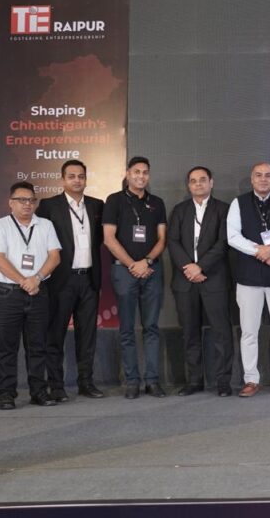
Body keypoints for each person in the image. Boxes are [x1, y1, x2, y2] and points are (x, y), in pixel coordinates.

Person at [0, 181, 61, 410]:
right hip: (9, 294)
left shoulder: (45, 225)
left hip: (39, 292)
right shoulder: (0, 225)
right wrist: (24, 281)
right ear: (11, 202)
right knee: (7, 348)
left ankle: (38, 392)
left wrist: (36, 279)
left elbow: (55, 257)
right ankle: (6, 395)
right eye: (21, 200)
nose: (27, 204)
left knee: (37, 346)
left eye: (31, 200)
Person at [226, 162, 270, 397]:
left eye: (268, 175)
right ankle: (251, 379)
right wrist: (260, 251)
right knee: (249, 332)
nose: (263, 179)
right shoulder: (239, 203)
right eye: (259, 175)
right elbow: (232, 236)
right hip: (248, 276)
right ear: (252, 179)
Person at [36, 160, 105, 401]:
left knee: (87, 336)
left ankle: (86, 383)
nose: (77, 180)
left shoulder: (97, 205)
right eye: (72, 176)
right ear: (63, 179)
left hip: (88, 280)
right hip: (61, 281)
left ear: (86, 179)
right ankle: (56, 386)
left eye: (81, 176)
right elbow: (40, 241)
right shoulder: (49, 206)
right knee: (55, 335)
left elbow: (99, 240)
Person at [103, 156, 168, 399]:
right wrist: (133, 265)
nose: (141, 176)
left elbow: (162, 239)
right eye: (136, 171)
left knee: (151, 327)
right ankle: (132, 381)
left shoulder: (157, 203)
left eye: (145, 172)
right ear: (127, 173)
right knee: (127, 328)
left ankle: (152, 380)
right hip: (124, 271)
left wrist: (146, 262)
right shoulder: (114, 200)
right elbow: (109, 239)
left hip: (152, 270)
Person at [167, 166, 235, 397]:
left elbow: (223, 242)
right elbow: (172, 242)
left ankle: (223, 381)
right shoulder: (179, 210)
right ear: (188, 185)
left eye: (202, 180)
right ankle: (194, 380)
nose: (198, 184)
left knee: (221, 332)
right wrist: (189, 268)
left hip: (214, 279)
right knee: (190, 333)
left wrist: (201, 266)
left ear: (211, 183)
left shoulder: (224, 209)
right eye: (193, 181)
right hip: (185, 281)